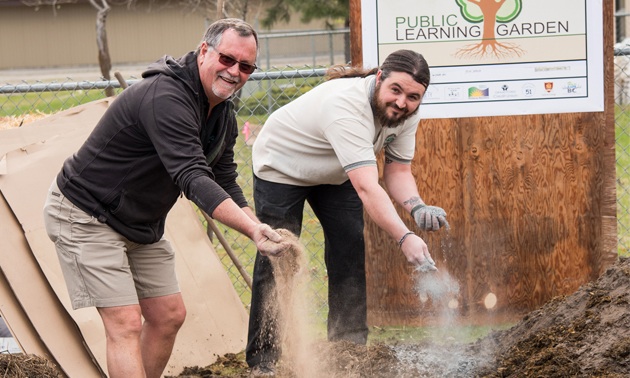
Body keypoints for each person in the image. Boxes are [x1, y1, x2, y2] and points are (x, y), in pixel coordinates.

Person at [43, 18, 289, 378]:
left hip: (138, 221)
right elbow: (192, 177)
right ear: (204, 51)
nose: (235, 72)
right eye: (227, 59)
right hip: (86, 213)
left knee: (168, 315)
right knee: (125, 323)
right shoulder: (167, 97)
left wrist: (256, 226)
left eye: (246, 66)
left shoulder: (222, 114)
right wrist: (251, 232)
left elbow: (224, 180)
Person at [246, 49, 448, 376]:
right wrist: (405, 237)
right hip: (282, 167)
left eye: (413, 97)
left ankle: (349, 350)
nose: (402, 103)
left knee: (349, 253)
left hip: (336, 171)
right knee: (277, 254)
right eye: (395, 90)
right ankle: (263, 361)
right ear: (379, 78)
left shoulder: (407, 114)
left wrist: (417, 206)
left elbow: (397, 173)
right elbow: (368, 188)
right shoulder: (346, 105)